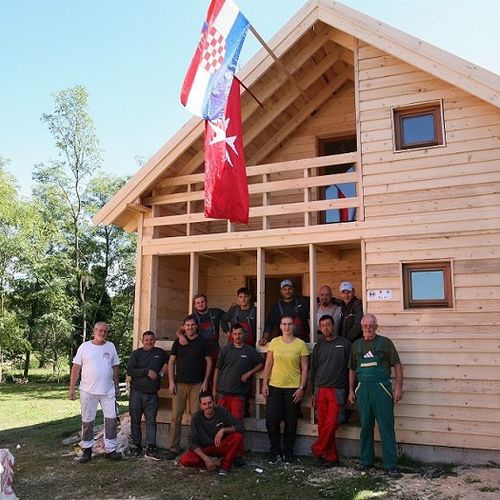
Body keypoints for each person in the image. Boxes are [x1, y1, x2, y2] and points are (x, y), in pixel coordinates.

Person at [348, 313, 403, 477]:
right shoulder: (356, 345)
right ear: (361, 327)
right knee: (365, 427)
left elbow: (398, 367)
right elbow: (351, 369)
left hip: (382, 390)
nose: (368, 328)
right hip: (362, 390)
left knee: (386, 427)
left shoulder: (385, 343)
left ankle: (390, 465)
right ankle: (366, 461)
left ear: (376, 327)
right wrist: (351, 390)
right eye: (365, 326)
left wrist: (399, 388)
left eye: (371, 326)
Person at [68, 321, 122, 463]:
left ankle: (111, 449)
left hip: (107, 390)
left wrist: (117, 387)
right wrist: (71, 389)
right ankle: (87, 450)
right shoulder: (84, 347)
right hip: (88, 391)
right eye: (100, 330)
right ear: (94, 331)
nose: (102, 333)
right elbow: (76, 368)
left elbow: (116, 367)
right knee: (87, 420)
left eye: (105, 331)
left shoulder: (111, 347)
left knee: (111, 420)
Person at [261, 315, 309, 464]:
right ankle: (275, 451)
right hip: (275, 387)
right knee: (271, 420)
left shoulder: (300, 344)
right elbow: (268, 364)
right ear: (280, 326)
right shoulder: (274, 342)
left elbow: (305, 368)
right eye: (284, 324)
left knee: (291, 422)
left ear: (293, 326)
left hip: (293, 388)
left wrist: (302, 388)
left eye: (289, 324)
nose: (287, 327)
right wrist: (264, 384)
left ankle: (288, 453)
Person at [166, 315, 212, 459]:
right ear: (184, 327)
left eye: (192, 325)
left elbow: (209, 362)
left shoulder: (203, 342)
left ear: (196, 326)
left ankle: (195, 448)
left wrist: (205, 381)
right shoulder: (178, 342)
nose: (190, 327)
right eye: (187, 325)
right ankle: (174, 448)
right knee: (175, 417)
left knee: (196, 416)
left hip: (197, 384)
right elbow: (171, 362)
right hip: (179, 383)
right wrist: (171, 382)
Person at [311, 315, 351, 467]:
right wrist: (314, 391)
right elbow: (314, 370)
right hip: (321, 389)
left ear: (334, 326)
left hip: (337, 389)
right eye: (323, 326)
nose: (326, 328)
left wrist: (350, 390)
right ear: (320, 328)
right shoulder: (319, 346)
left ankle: (317, 448)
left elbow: (351, 369)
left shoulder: (345, 344)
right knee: (322, 425)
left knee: (332, 423)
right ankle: (331, 457)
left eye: (328, 325)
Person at [179, 391, 245, 476]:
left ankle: (225, 466)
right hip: (205, 449)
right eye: (204, 404)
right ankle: (214, 464)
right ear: (201, 406)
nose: (208, 406)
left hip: (219, 446)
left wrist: (223, 430)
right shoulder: (196, 418)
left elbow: (240, 427)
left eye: (209, 403)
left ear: (213, 402)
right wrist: (206, 458)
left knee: (237, 436)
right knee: (185, 459)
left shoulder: (222, 412)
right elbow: (192, 443)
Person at [127, 330, 168, 460]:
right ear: (142, 341)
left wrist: (164, 369)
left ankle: (151, 448)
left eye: (151, 340)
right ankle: (137, 445)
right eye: (146, 340)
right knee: (135, 420)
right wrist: (146, 371)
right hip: (136, 393)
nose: (149, 342)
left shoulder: (160, 353)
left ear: (154, 340)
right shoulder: (136, 354)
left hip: (152, 394)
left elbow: (170, 359)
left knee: (151, 421)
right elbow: (130, 371)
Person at [213, 323, 264, 421]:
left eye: (240, 333)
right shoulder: (225, 350)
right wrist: (214, 390)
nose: (237, 336)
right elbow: (217, 369)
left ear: (244, 334)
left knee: (236, 423)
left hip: (239, 394)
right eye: (235, 334)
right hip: (223, 393)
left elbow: (261, 363)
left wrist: (249, 373)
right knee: (221, 422)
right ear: (231, 335)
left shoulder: (250, 351)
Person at [176, 293, 228, 377]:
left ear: (206, 302)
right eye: (198, 303)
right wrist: (181, 336)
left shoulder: (216, 312)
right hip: (199, 350)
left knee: (216, 374)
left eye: (202, 302)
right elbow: (179, 330)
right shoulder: (192, 317)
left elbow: (228, 317)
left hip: (214, 349)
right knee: (200, 374)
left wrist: (234, 308)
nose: (201, 304)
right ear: (194, 305)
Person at [259, 279, 310, 345]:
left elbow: (316, 301)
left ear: (293, 289)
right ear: (281, 291)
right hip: (283, 343)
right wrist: (265, 338)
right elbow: (269, 324)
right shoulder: (276, 306)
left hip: (303, 341)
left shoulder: (303, 301)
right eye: (284, 289)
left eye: (289, 288)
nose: (287, 291)